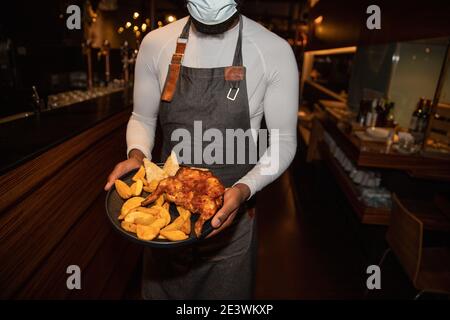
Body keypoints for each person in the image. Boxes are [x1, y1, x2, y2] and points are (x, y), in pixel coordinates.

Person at [104, 0, 298, 299]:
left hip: (231, 228)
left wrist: (246, 188)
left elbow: (283, 140)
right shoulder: (156, 44)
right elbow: (142, 117)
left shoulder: (273, 50)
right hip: (164, 218)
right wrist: (137, 155)